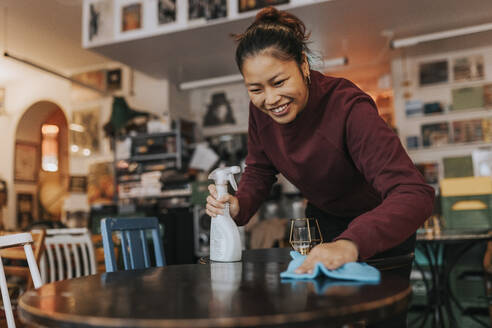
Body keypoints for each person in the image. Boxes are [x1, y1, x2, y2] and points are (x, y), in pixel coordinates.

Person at [206, 7, 434, 326]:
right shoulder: (261, 113)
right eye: (255, 89)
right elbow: (260, 168)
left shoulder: (347, 107)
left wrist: (350, 244)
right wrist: (238, 205)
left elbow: (414, 193)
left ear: (303, 65)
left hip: (379, 226)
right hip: (323, 225)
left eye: (279, 81)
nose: (270, 99)